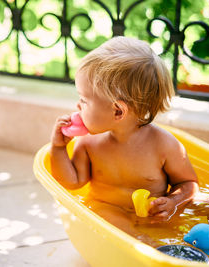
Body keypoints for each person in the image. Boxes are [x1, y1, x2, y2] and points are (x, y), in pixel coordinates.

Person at [50, 36, 199, 236]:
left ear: (118, 111)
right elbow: (72, 182)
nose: (78, 106)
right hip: (108, 210)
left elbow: (189, 184)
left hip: (154, 215)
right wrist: (58, 149)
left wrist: (173, 202)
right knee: (109, 220)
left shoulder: (164, 145)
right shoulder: (88, 142)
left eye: (84, 100)